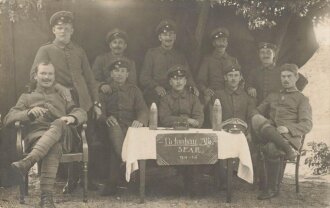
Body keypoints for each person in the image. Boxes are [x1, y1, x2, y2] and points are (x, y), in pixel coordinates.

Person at [30, 10, 101, 193]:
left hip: (83, 102)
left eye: (67, 29)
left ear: (72, 31)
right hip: (61, 101)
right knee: (68, 139)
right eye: (60, 28)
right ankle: (69, 180)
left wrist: (96, 102)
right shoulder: (45, 50)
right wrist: (57, 86)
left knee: (88, 139)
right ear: (54, 30)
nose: (63, 32)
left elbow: (90, 78)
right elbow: (34, 75)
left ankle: (86, 179)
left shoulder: (79, 50)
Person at [4, 61, 87, 208]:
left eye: (50, 73)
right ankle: (46, 198)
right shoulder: (26, 97)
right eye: (43, 73)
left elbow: (80, 112)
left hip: (64, 136)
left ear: (54, 76)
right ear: (35, 76)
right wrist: (28, 113)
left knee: (59, 122)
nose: (47, 77)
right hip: (38, 138)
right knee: (53, 146)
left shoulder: (63, 95)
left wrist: (72, 117)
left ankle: (28, 162)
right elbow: (8, 118)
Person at [251, 63, 312, 200]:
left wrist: (288, 128)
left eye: (289, 76)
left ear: (296, 77)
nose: (285, 79)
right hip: (270, 132)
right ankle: (288, 151)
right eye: (283, 76)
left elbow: (307, 124)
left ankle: (272, 189)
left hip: (289, 136)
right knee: (255, 118)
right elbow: (257, 111)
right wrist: (264, 121)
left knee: (272, 147)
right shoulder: (273, 96)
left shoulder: (302, 99)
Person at [99, 57, 148, 196]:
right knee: (115, 130)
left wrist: (140, 120)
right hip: (110, 126)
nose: (119, 74)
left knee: (130, 137)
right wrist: (106, 118)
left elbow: (143, 109)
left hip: (130, 125)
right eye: (116, 71)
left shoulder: (134, 90)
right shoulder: (105, 90)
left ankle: (113, 182)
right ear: (111, 74)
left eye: (123, 71)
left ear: (128, 74)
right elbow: (99, 111)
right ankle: (127, 163)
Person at [159, 64, 204, 195]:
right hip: (171, 135)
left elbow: (199, 118)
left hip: (190, 135)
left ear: (185, 81)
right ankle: (181, 178)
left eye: (181, 78)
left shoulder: (193, 98)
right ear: (170, 82)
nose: (178, 81)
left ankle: (192, 183)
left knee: (193, 150)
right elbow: (164, 119)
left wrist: (193, 123)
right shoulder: (165, 99)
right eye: (174, 79)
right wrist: (186, 120)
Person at [210, 62, 255, 189]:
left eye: (236, 75)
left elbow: (250, 116)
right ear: (225, 77)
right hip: (223, 133)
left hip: (242, 134)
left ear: (240, 77)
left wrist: (250, 133)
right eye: (230, 75)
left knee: (250, 147)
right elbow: (212, 116)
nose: (233, 78)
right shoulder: (218, 95)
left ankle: (243, 177)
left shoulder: (246, 96)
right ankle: (223, 179)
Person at [140, 19, 198, 107]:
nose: (168, 37)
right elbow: (144, 78)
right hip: (157, 91)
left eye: (171, 34)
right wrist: (156, 87)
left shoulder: (180, 55)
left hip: (176, 89)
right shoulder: (152, 54)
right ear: (160, 38)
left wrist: (193, 86)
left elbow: (188, 75)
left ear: (175, 37)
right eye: (165, 35)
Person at [197, 27, 239, 105]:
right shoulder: (207, 60)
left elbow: (240, 80)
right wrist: (205, 90)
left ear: (227, 43)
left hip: (230, 95)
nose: (221, 44)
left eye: (223, 41)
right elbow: (200, 81)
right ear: (213, 43)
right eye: (218, 41)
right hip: (214, 95)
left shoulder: (233, 60)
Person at [92, 28, 137, 94]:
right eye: (114, 42)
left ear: (125, 46)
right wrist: (101, 85)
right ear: (110, 45)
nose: (117, 45)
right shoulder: (100, 59)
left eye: (120, 43)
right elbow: (92, 79)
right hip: (105, 93)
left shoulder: (130, 62)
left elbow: (132, 83)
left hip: (124, 94)